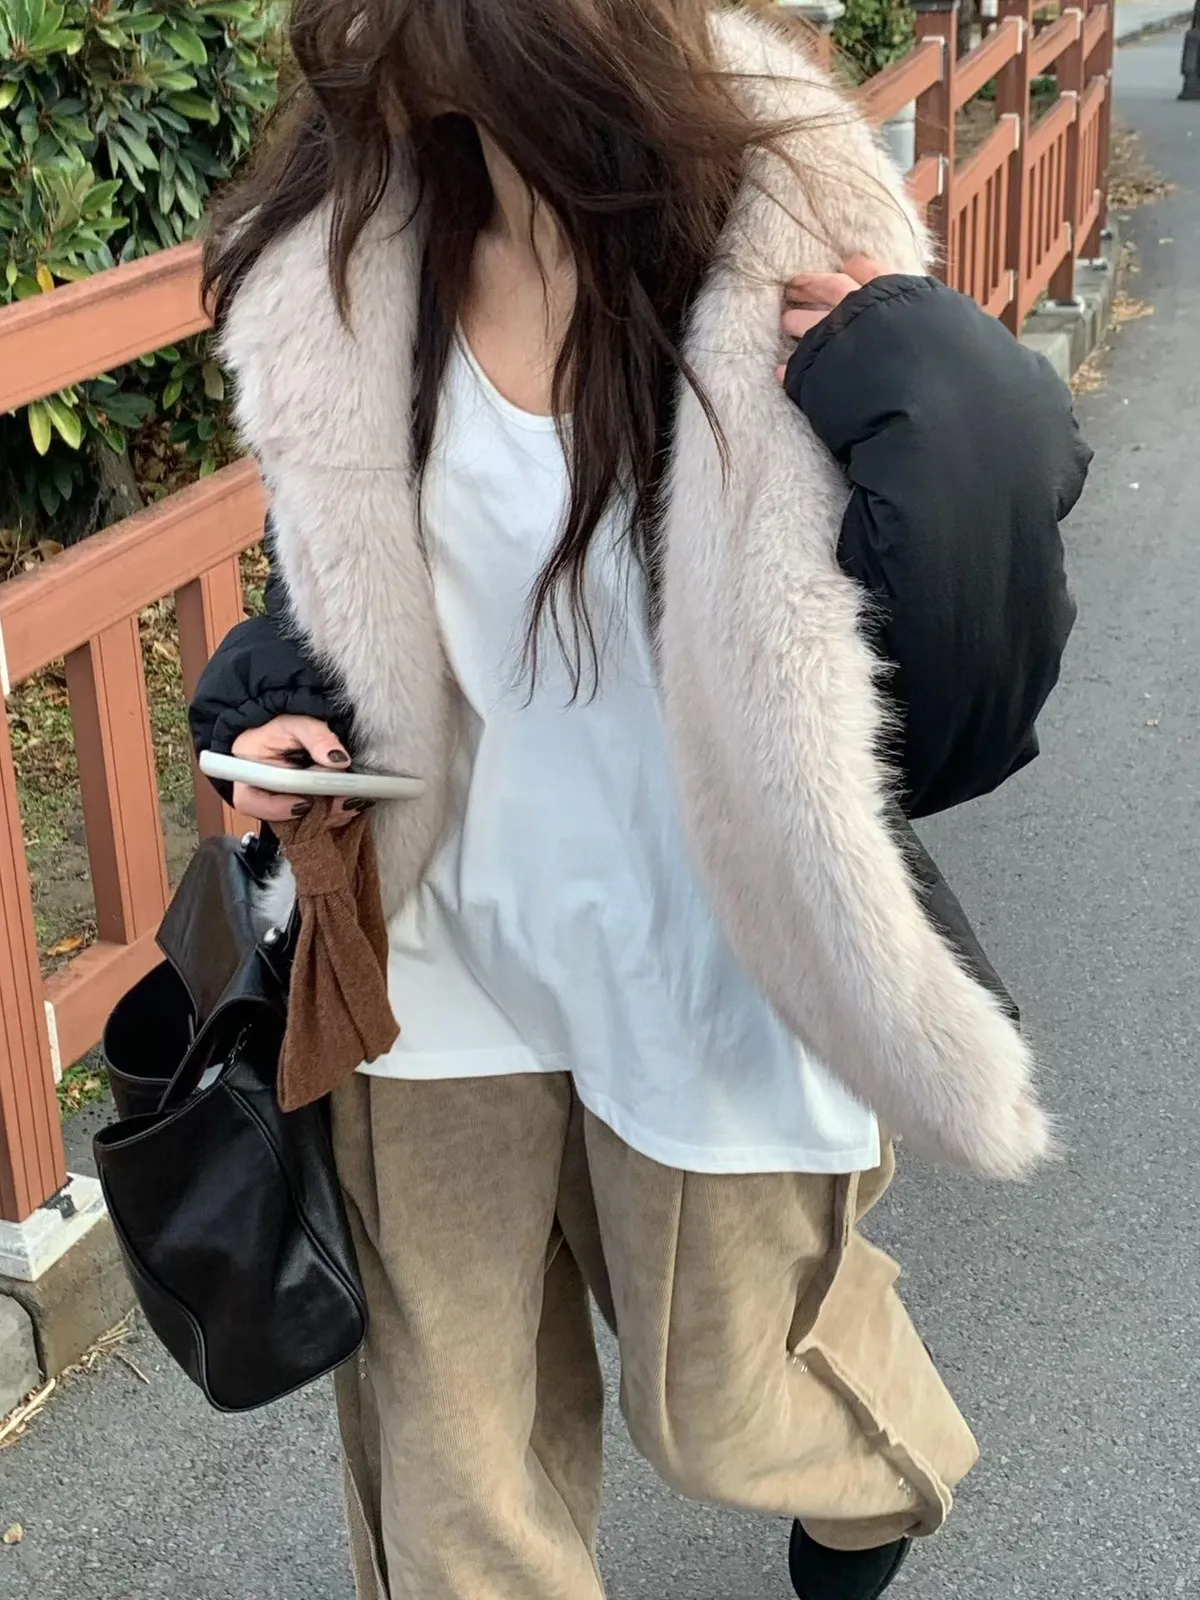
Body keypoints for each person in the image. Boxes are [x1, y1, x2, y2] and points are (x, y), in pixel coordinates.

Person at [189, 2, 1089, 1596]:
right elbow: (341, 597)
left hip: (702, 939)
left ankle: (867, 1484)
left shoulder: (773, 231)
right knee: (452, 1464)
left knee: (726, 1405)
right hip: (441, 952)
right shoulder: (354, 255)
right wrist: (269, 701)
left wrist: (940, 389)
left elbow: (964, 692)